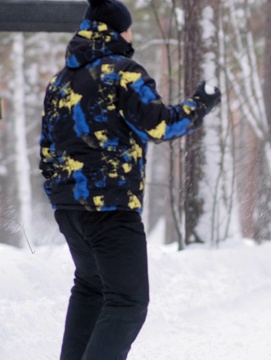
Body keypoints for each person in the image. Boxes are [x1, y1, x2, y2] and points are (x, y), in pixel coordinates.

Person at [39, 0, 221, 359]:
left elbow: (47, 147)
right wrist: (202, 102)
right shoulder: (122, 72)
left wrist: (59, 196)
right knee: (128, 303)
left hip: (69, 209)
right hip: (110, 210)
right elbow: (160, 124)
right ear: (118, 30)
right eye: (129, 27)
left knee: (90, 289)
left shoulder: (59, 81)